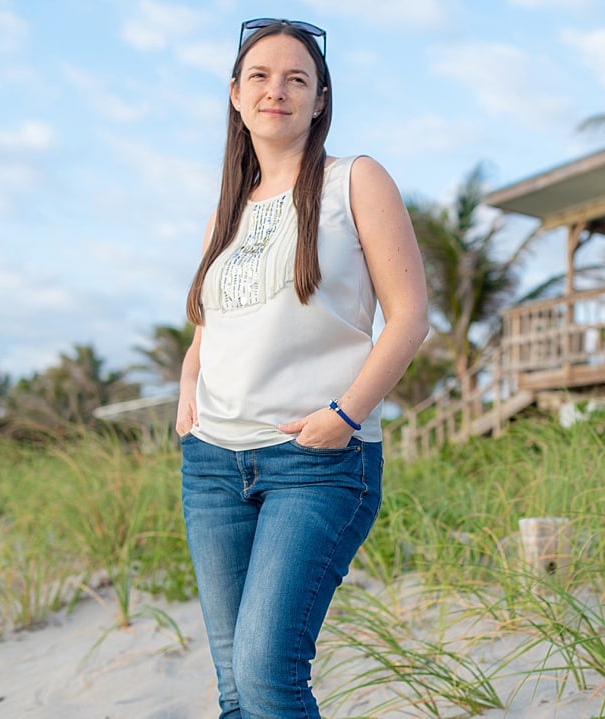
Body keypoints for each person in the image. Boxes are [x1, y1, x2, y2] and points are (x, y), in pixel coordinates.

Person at [174, 17, 428, 719]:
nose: (275, 90)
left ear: (320, 98)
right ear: (234, 94)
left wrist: (345, 415)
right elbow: (208, 314)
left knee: (266, 675)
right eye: (259, 76)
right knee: (234, 690)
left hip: (315, 462)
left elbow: (409, 317)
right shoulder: (228, 206)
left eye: (296, 78)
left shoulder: (356, 180)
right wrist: (188, 386)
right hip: (213, 467)